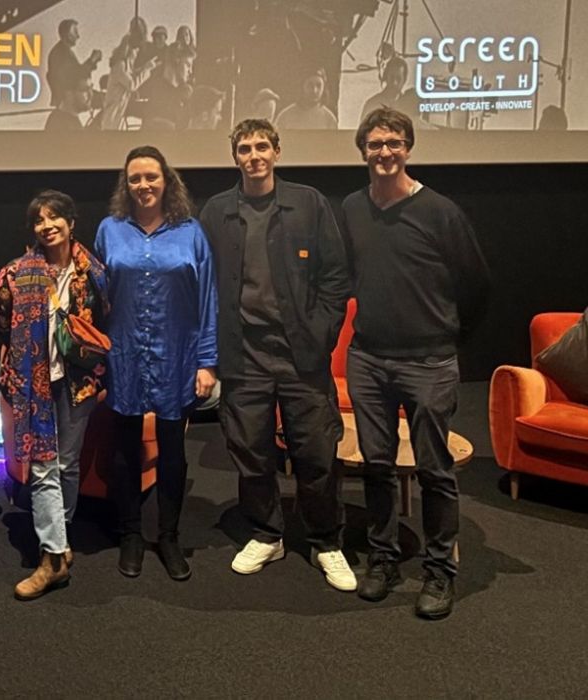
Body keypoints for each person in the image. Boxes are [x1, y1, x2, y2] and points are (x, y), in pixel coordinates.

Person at [342, 107, 490, 619]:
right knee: (377, 467)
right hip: (368, 359)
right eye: (375, 143)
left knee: (434, 471)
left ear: (408, 148)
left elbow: (476, 284)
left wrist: (449, 340)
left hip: (429, 361)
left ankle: (438, 573)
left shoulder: (440, 211)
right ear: (362, 150)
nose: (385, 152)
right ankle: (382, 560)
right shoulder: (352, 209)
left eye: (394, 143)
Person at [198, 119, 355, 591]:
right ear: (235, 158)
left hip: (300, 354)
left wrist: (323, 332)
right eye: (244, 149)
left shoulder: (307, 203)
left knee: (316, 449)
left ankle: (327, 541)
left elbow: (335, 276)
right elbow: (205, 284)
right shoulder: (217, 211)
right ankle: (268, 533)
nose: (253, 156)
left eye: (261, 146)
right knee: (249, 449)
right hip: (243, 353)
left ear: (277, 151)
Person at [95, 146, 217, 581]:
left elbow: (208, 301)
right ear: (125, 185)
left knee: (172, 452)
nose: (143, 185)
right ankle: (130, 534)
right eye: (134, 179)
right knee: (125, 450)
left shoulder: (191, 233)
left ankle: (168, 536)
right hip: (124, 355)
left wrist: (207, 362)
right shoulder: (110, 230)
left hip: (177, 358)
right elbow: (95, 296)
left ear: (167, 180)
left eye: (151, 177)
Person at [0, 190, 108, 600]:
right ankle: (53, 556)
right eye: (40, 220)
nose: (48, 225)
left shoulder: (92, 272)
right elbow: (3, 322)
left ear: (71, 222)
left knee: (68, 464)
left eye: (55, 217)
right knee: (43, 468)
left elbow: (105, 319)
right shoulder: (14, 274)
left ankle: (61, 535)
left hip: (79, 382)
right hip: (34, 381)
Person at [99, 40, 157, 130]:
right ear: (129, 49)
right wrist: (146, 69)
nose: (137, 52)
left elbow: (131, 75)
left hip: (118, 109)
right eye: (136, 49)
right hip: (113, 111)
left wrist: (145, 67)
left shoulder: (123, 66)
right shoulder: (120, 66)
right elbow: (131, 85)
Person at [46, 19, 102, 107]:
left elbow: (75, 73)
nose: (78, 36)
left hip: (70, 97)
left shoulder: (61, 51)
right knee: (109, 99)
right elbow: (76, 77)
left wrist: (92, 62)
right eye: (75, 32)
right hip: (71, 98)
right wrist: (91, 61)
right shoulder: (61, 53)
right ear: (67, 34)